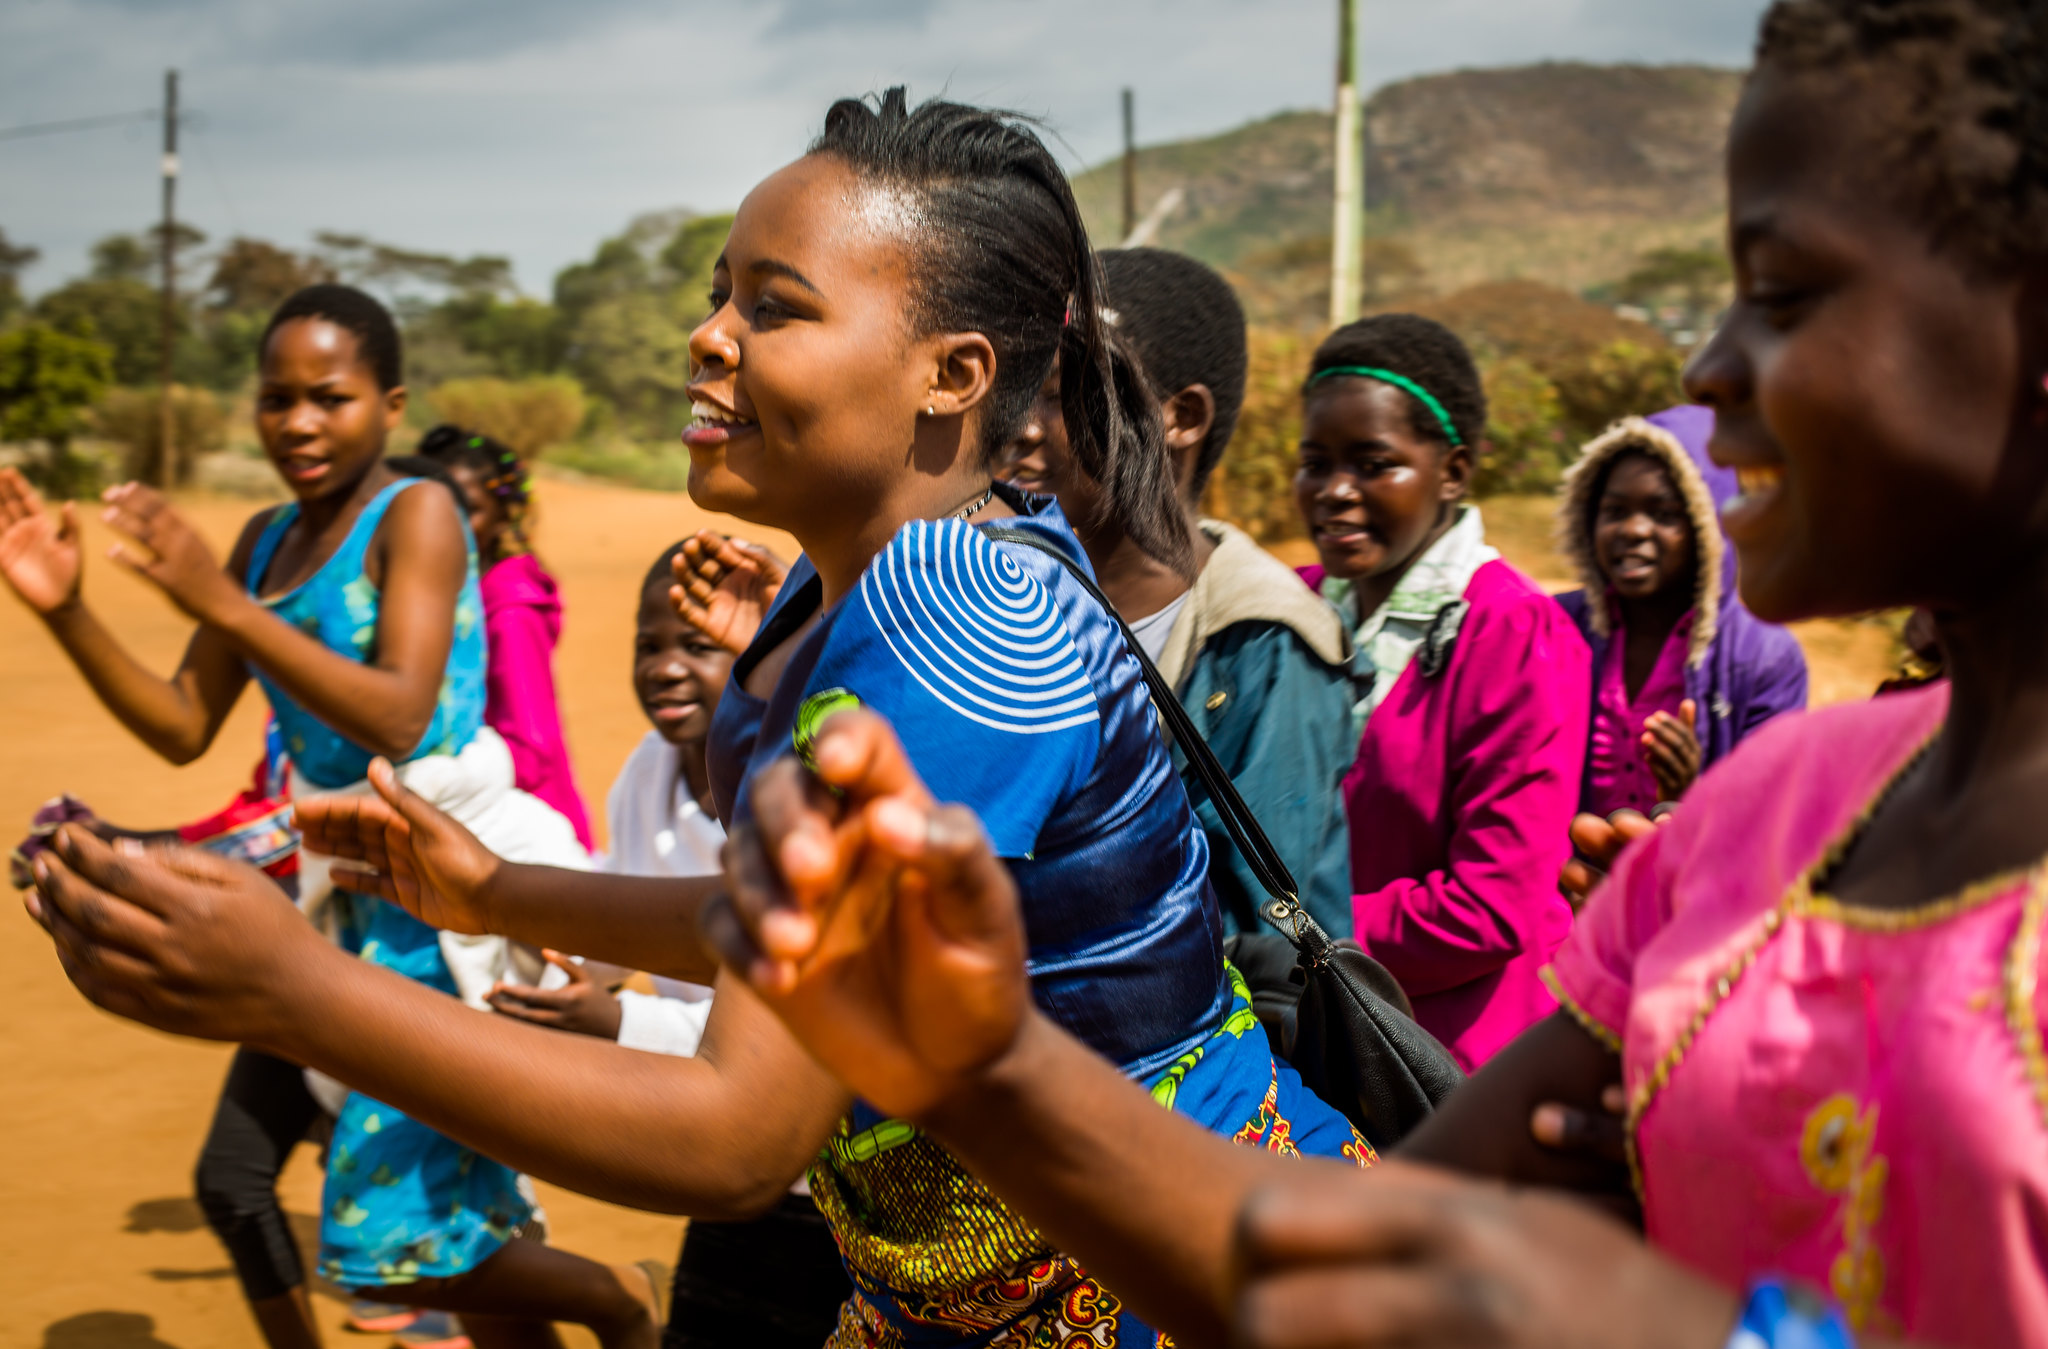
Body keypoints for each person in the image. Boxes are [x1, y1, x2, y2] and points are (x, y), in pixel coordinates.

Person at [553, 0, 2048, 1344]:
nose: (1711, 370)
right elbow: (1387, 1246)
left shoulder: (1043, 606)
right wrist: (995, 1061)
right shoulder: (1770, 818)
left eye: (1782, 296)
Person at [22, 90, 1373, 1349]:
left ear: (953, 372)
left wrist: (302, 993)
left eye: (774, 306)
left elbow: (738, 1134)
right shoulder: (904, 581)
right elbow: (788, 925)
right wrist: (491, 888)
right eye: (719, 293)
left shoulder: (968, 616)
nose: (709, 334)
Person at [0, 283, 657, 1349]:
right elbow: (180, 723)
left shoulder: (419, 514)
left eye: (329, 397)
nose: (298, 423)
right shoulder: (262, 543)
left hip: (439, 902)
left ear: (389, 405)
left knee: (386, 1243)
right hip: (334, 905)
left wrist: (220, 606)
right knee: (433, 1227)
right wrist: (68, 608)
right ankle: (605, 1305)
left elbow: (400, 711)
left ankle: (619, 1300)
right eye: (275, 399)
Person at [486, 541, 853, 1349]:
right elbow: (619, 911)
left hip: (841, 1178)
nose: (665, 667)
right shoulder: (649, 768)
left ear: (767, 664)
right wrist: (561, 974)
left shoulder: (802, 791)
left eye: (698, 644)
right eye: (648, 645)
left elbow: (784, 1028)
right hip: (729, 1159)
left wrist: (618, 1024)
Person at [994, 247, 1354, 938]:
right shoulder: (1009, 597)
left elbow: (1263, 932)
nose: (1023, 427)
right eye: (1020, 391)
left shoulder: (1264, 644)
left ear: (1180, 416)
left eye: (1065, 393)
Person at [1294, 313, 1589, 1070]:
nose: (1333, 491)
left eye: (1372, 463)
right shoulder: (1292, 606)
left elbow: (1492, 907)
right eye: (1314, 461)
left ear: (1452, 472)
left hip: (1451, 1058)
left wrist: (1296, 932)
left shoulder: (1516, 633)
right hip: (1316, 1024)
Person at [1554, 406, 1808, 812]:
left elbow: (1767, 814)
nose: (1633, 531)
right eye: (1615, 511)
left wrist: (1690, 795)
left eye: (1665, 514)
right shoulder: (1554, 628)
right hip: (1564, 874)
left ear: (1709, 528)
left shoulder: (1765, 659)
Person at [415, 426, 594, 850]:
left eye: (469, 510)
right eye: (434, 507)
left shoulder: (509, 610)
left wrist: (430, 776)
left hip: (523, 838)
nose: (448, 525)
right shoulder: (448, 590)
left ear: (502, 516)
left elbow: (530, 751)